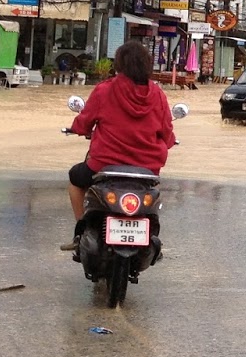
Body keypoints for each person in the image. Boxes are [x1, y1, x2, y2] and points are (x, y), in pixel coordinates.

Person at [61, 42, 178, 251]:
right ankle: (150, 234)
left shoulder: (105, 89)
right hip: (146, 169)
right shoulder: (158, 95)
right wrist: (168, 142)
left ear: (119, 65)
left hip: (104, 166)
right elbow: (166, 132)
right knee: (154, 192)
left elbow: (84, 121)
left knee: (75, 180)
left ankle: (80, 232)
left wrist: (76, 128)